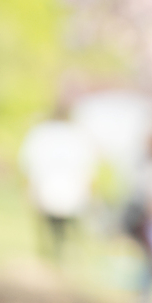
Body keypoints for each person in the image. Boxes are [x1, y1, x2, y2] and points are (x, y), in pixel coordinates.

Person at [19, 110, 97, 260]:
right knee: (64, 227)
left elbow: (28, 162)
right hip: (68, 190)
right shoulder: (77, 134)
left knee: (52, 227)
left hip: (51, 189)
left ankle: (55, 255)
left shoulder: (41, 133)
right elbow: (88, 167)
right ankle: (58, 255)